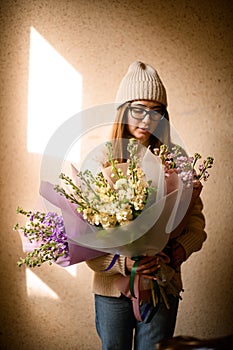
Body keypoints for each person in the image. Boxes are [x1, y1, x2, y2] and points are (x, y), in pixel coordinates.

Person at [85, 61, 206, 350]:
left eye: (156, 111)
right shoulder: (99, 159)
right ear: (123, 109)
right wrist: (123, 263)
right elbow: (85, 234)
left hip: (163, 283)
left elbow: (196, 223)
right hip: (112, 288)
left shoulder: (176, 159)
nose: (147, 119)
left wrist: (175, 253)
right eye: (139, 109)